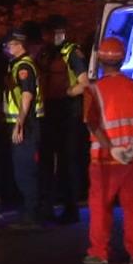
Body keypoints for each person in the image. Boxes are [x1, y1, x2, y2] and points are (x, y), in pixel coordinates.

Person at [81, 38, 133, 264]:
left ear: (100, 60)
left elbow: (91, 124)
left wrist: (110, 149)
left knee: (100, 208)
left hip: (104, 161)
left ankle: (100, 253)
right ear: (122, 60)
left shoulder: (92, 90)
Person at [39, 14, 90, 224]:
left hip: (68, 112)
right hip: (50, 110)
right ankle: (48, 207)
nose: (52, 36)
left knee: (67, 162)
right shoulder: (47, 52)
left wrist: (68, 93)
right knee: (47, 161)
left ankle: (70, 208)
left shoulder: (71, 52)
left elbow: (85, 82)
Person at [3, 28, 45, 230]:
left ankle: (32, 216)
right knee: (23, 170)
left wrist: (19, 124)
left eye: (9, 45)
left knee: (25, 171)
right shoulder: (18, 65)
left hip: (26, 125)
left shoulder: (24, 66)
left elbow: (27, 95)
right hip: (24, 123)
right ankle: (30, 213)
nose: (7, 48)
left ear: (19, 45)